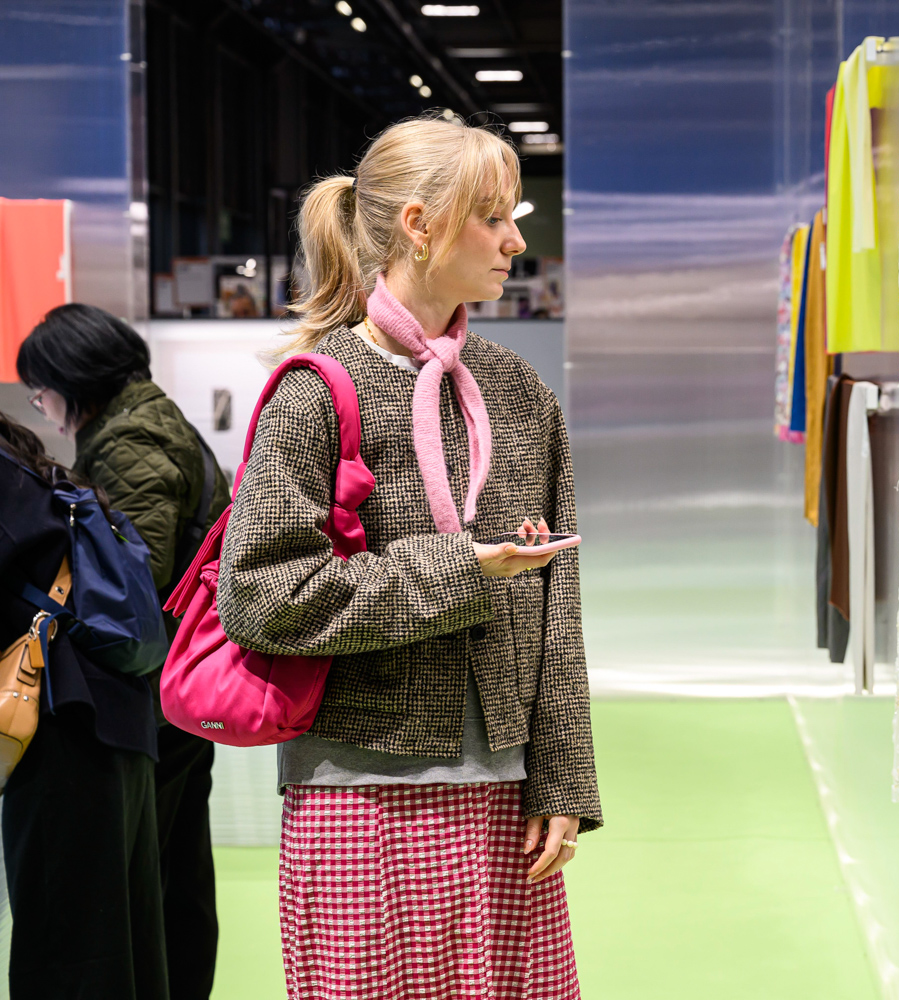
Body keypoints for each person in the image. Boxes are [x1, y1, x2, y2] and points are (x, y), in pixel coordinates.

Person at [215, 114, 600, 998]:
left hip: (506, 794)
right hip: (355, 792)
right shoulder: (317, 392)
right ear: (420, 226)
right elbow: (262, 598)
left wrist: (564, 778)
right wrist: (461, 570)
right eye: (493, 218)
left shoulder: (519, 392)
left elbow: (559, 606)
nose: (515, 242)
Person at [17, 305, 229, 1000]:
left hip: (152, 690)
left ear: (72, 381)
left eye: (42, 393)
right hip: (185, 681)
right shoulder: (160, 422)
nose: (45, 411)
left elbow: (132, 580)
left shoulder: (130, 437)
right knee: (176, 870)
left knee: (146, 881)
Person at [0, 412, 168, 999]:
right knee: (125, 944)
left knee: (66, 951)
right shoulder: (39, 478)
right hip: (117, 716)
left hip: (62, 722)